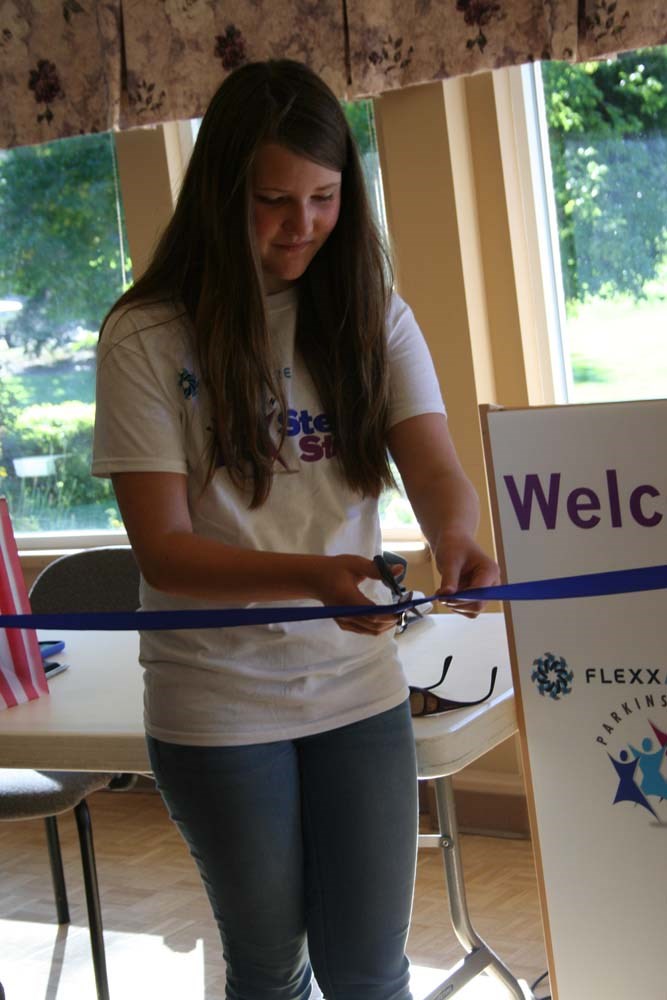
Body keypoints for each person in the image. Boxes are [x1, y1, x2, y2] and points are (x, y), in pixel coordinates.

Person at [92, 59, 499, 1000]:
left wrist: (456, 536)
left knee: (370, 972)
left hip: (356, 691)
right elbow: (164, 553)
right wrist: (313, 577)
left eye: (324, 198)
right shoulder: (148, 337)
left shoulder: (370, 315)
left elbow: (433, 464)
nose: (303, 225)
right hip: (217, 703)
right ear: (221, 193)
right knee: (271, 971)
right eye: (275, 200)